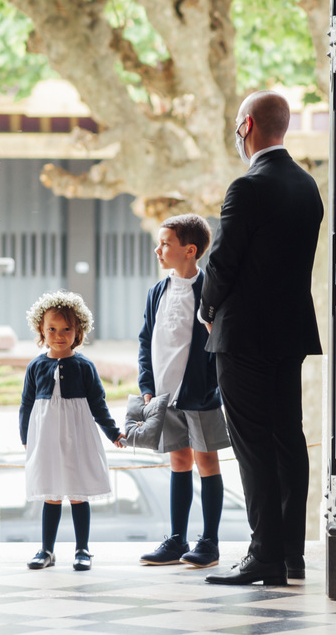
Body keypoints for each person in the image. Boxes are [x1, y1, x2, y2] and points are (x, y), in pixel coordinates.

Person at [201, 90, 323, 586]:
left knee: (252, 444)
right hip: (288, 331)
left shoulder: (248, 187)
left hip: (244, 335)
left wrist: (207, 309)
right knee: (287, 438)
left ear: (247, 125)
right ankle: (290, 552)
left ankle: (263, 554)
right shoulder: (307, 185)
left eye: (236, 123)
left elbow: (223, 260)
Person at [136, 214, 231, 569]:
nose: (158, 249)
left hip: (199, 395)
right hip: (163, 395)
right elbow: (146, 340)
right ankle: (177, 539)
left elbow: (218, 342)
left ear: (189, 251)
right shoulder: (157, 291)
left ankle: (210, 542)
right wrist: (147, 386)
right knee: (178, 461)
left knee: (206, 462)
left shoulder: (209, 290)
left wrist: (209, 386)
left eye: (165, 243)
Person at [19, 291, 123, 571]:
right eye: (52, 329)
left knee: (78, 492)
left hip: (77, 437)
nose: (59, 335)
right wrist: (25, 437)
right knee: (51, 493)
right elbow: (27, 404)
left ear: (78, 331)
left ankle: (83, 549)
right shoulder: (36, 366)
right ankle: (46, 550)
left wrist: (113, 433)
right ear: (41, 329)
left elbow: (98, 403)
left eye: (67, 329)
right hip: (46, 438)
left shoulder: (85, 367)